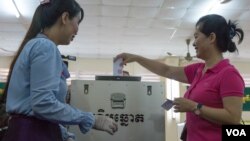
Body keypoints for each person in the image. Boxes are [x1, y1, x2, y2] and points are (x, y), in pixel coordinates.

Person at [0, 0, 118, 141]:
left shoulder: (37, 45)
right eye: (77, 22)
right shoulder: (45, 47)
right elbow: (43, 104)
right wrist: (90, 119)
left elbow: (36, 109)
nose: (77, 30)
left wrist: (63, 134)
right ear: (65, 18)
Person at [115, 14, 244, 141]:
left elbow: (233, 118)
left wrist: (194, 107)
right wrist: (137, 58)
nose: (194, 43)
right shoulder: (198, 70)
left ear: (211, 38)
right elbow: (167, 70)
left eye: (196, 36)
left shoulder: (228, 74)